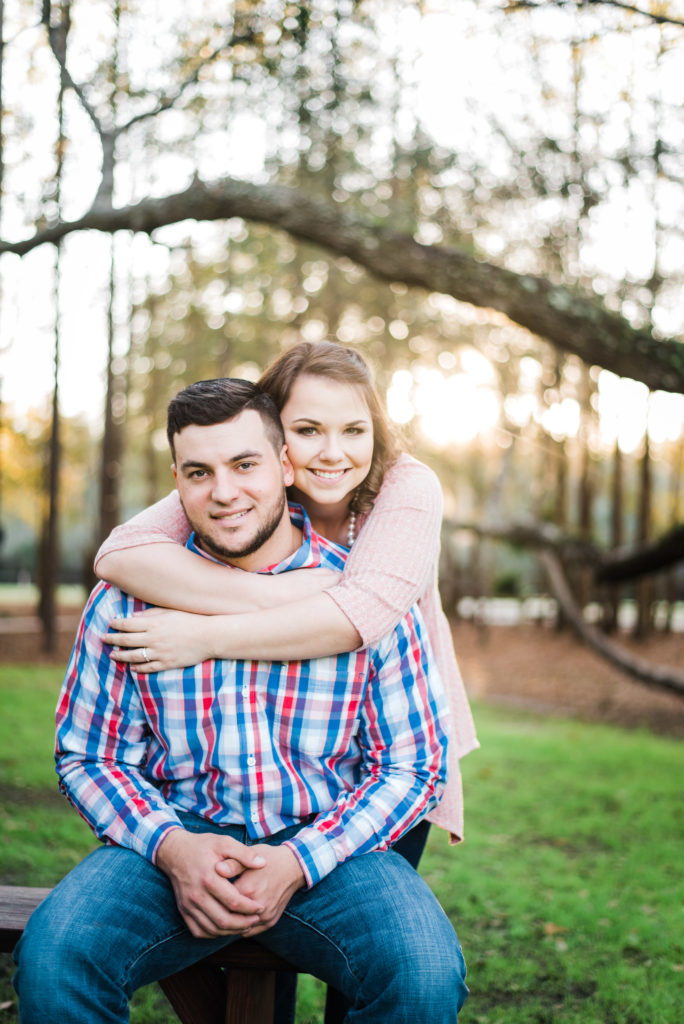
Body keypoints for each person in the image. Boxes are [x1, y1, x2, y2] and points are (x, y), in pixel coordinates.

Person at [14, 378, 468, 1023]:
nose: (223, 493)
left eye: (245, 465)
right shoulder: (128, 598)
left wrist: (297, 860)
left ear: (286, 466)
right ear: (177, 481)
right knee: (57, 956)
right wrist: (173, 846)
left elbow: (411, 765)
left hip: (330, 851)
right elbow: (89, 755)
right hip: (174, 835)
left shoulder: (364, 596)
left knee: (421, 973)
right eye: (199, 472)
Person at [96, 341, 479, 856]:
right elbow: (119, 554)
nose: (332, 453)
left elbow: (357, 618)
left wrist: (203, 636)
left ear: (375, 432)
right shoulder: (239, 478)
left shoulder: (406, 487)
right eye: (307, 430)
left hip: (392, 739)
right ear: (276, 438)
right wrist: (269, 591)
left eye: (353, 430)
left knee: (371, 902)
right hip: (277, 751)